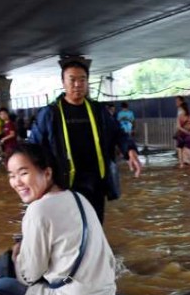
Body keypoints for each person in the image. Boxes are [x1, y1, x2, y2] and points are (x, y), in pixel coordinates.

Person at [0, 143, 117, 295]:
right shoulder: (79, 198)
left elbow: (29, 276)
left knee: (2, 286)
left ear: (47, 173)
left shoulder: (37, 210)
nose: (16, 182)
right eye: (12, 175)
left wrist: (17, 257)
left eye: (23, 173)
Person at [27, 58, 142, 223]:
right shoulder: (50, 114)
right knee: (69, 229)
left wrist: (130, 151)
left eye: (82, 80)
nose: (77, 84)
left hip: (96, 183)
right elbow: (34, 147)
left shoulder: (98, 111)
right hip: (64, 184)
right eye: (72, 80)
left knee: (94, 226)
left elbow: (118, 133)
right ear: (63, 82)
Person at [174, 96, 190, 170]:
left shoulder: (180, 116)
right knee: (187, 149)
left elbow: (178, 127)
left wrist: (186, 131)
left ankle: (183, 164)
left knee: (180, 149)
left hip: (182, 135)